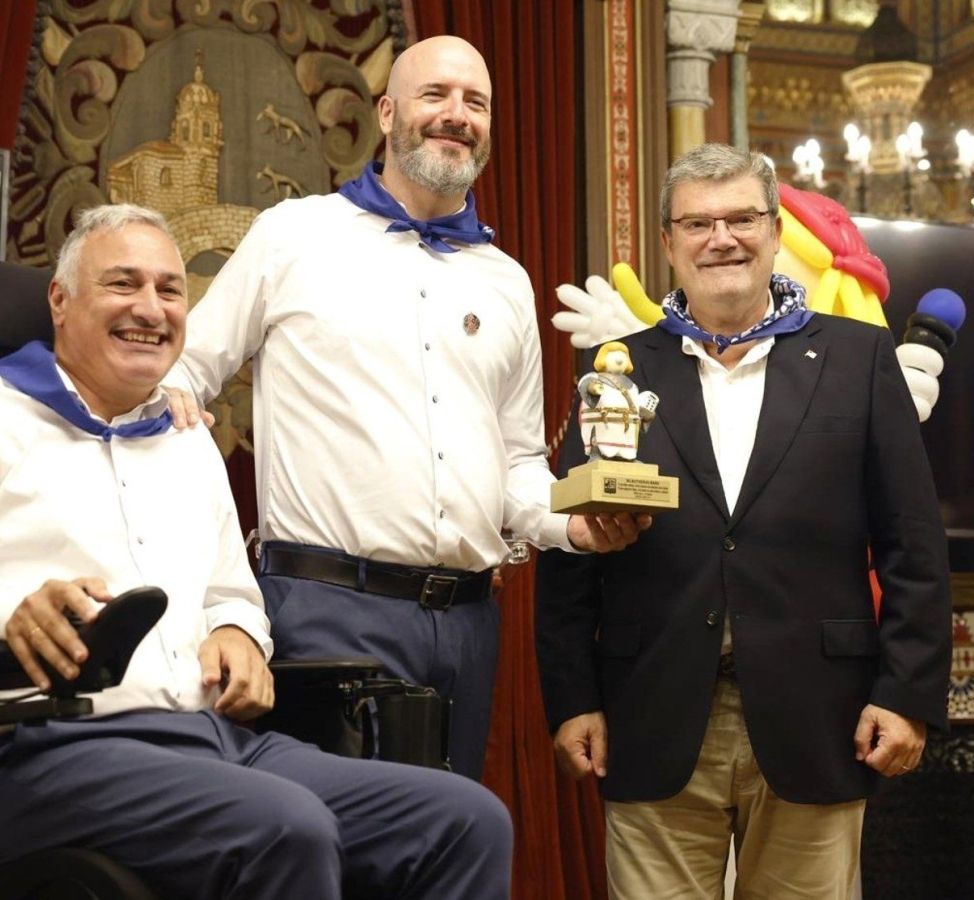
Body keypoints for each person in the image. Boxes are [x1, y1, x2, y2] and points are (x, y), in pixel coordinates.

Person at [0, 204, 512, 900]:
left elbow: (229, 594)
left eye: (170, 289)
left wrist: (239, 632)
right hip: (37, 751)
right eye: (123, 284)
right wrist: (5, 614)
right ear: (59, 301)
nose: (150, 309)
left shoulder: (186, 440)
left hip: (209, 741)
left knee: (465, 820)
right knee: (286, 825)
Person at [165, 35, 646, 779]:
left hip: (468, 624)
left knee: (449, 834)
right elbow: (185, 371)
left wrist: (572, 526)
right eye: (436, 95)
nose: (457, 114)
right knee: (327, 837)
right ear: (387, 113)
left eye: (475, 102)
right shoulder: (293, 236)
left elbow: (519, 462)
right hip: (324, 608)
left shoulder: (506, 281)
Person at [534, 144, 952, 899]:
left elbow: (912, 545)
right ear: (669, 243)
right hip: (650, 714)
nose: (720, 239)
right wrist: (572, 700)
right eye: (698, 223)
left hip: (821, 718)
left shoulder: (859, 358)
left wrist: (906, 693)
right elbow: (571, 550)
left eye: (741, 219)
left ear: (774, 231)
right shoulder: (616, 369)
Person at [577, 341, 658, 461]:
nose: (619, 360)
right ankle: (596, 453)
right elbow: (585, 386)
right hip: (603, 423)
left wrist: (645, 414)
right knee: (602, 439)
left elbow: (635, 406)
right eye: (613, 356)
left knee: (626, 447)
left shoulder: (632, 386)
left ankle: (627, 458)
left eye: (623, 356)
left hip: (626, 426)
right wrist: (593, 388)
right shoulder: (595, 378)